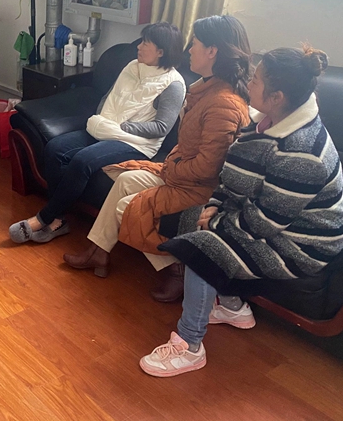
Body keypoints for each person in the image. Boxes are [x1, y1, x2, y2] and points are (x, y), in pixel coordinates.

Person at [139, 46, 343, 377]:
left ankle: (189, 346)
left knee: (203, 247)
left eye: (256, 79)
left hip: (302, 244)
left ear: (277, 97)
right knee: (188, 217)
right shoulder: (266, 121)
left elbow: (265, 223)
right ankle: (233, 306)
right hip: (265, 220)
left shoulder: (302, 153)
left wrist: (216, 223)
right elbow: (234, 176)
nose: (249, 82)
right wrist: (214, 206)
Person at [64, 15, 251, 290]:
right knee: (125, 179)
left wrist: (172, 167)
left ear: (212, 51)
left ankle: (176, 268)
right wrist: (171, 164)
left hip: (196, 188)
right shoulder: (203, 89)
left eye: (195, 43)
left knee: (127, 208)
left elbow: (208, 168)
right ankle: (98, 252)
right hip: (179, 174)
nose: (189, 50)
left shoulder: (223, 103)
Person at [9, 23, 186, 244]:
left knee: (83, 160)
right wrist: (103, 120)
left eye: (145, 43)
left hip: (136, 142)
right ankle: (58, 220)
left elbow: (161, 127)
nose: (138, 47)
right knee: (55, 148)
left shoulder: (173, 84)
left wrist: (123, 126)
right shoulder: (133, 66)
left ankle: (43, 218)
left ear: (161, 51)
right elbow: (109, 97)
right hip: (106, 127)